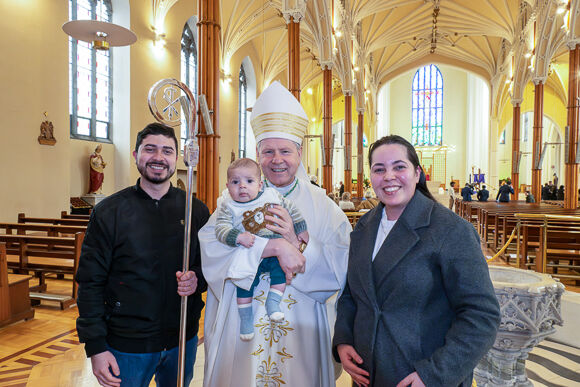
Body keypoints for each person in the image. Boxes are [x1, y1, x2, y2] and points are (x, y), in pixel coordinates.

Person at [199, 81, 351, 387]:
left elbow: (340, 268)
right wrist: (271, 248)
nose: (277, 159)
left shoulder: (324, 207)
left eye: (285, 151)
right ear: (257, 153)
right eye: (268, 151)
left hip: (302, 326)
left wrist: (297, 246)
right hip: (244, 321)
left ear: (299, 152)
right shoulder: (230, 201)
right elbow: (211, 247)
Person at [332, 135, 500, 387]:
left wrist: (433, 374)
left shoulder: (451, 230)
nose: (389, 176)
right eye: (379, 169)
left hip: (420, 373)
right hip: (368, 374)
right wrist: (344, 338)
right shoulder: (364, 226)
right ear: (371, 177)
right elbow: (352, 293)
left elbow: (481, 315)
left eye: (399, 167)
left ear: (417, 173)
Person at [76, 123, 210, 387]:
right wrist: (95, 347)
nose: (159, 157)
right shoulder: (109, 212)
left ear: (177, 158)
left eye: (167, 151)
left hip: (181, 338)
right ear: (136, 155)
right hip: (127, 342)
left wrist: (197, 279)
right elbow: (90, 282)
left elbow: (211, 266)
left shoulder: (196, 210)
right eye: (150, 149)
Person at [214, 158, 308, 340]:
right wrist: (238, 237)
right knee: (244, 283)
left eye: (248, 181)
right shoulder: (227, 205)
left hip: (273, 256)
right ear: (227, 185)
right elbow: (220, 230)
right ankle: (246, 319)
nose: (242, 186)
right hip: (248, 257)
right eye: (235, 182)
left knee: (280, 273)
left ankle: (273, 303)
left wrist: (300, 229)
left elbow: (293, 210)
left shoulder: (271, 196)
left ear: (259, 184)